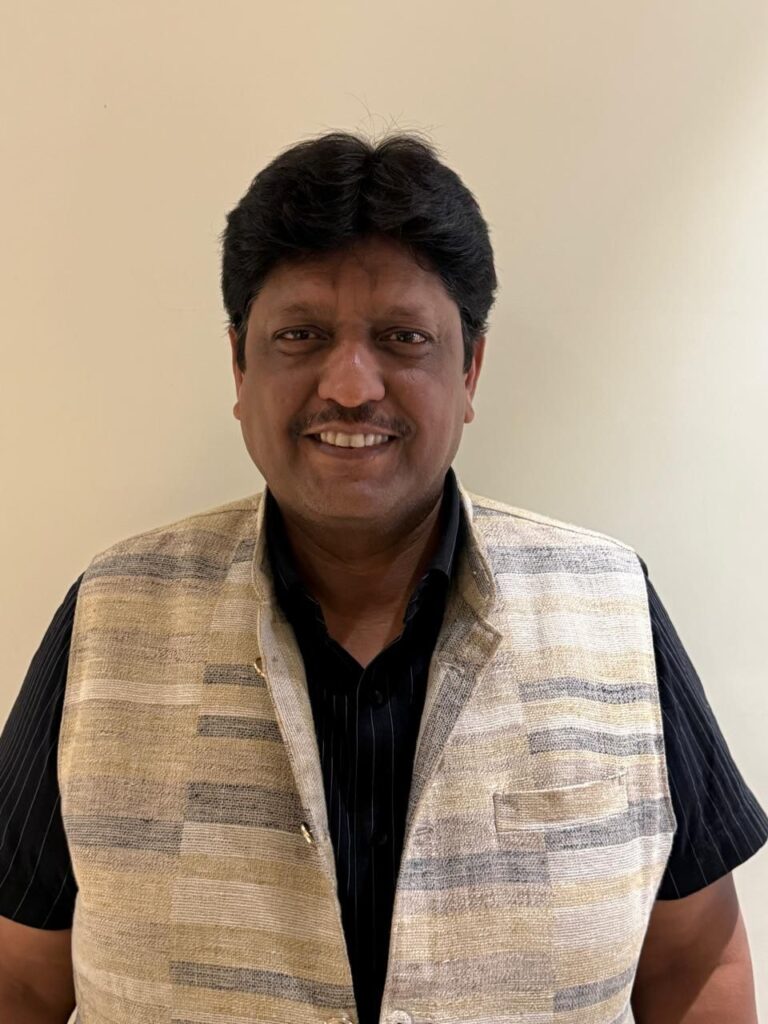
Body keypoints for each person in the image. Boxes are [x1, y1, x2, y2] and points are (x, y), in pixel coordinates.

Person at [1, 131, 766, 1024]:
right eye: (302, 335)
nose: (352, 386)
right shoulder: (110, 616)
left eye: (403, 337)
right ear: (240, 365)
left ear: (470, 368)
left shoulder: (613, 609)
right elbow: (22, 980)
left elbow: (694, 960)